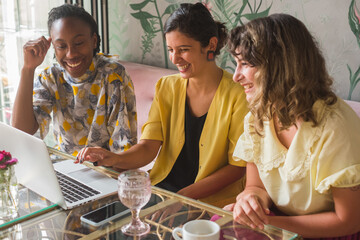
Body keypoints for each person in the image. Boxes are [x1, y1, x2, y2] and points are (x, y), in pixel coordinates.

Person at [76, 3, 249, 207]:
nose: (175, 59)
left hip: (209, 203)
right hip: (162, 190)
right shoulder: (167, 86)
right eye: (171, 49)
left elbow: (237, 167)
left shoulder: (239, 94)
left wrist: (183, 197)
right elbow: (148, 147)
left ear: (211, 44)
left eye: (183, 50)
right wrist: (112, 158)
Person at [225, 13, 360, 239]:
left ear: (279, 66)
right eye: (236, 65)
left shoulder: (335, 127)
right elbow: (256, 186)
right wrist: (251, 201)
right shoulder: (259, 115)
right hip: (278, 223)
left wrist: (269, 222)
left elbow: (347, 220)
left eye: (245, 64)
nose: (236, 76)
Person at [11, 4, 137, 156]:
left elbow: (123, 146)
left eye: (78, 43)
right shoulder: (50, 77)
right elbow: (22, 131)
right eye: (61, 46)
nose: (70, 54)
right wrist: (28, 69)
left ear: (94, 41)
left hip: (105, 170)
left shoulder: (113, 75)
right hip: (65, 167)